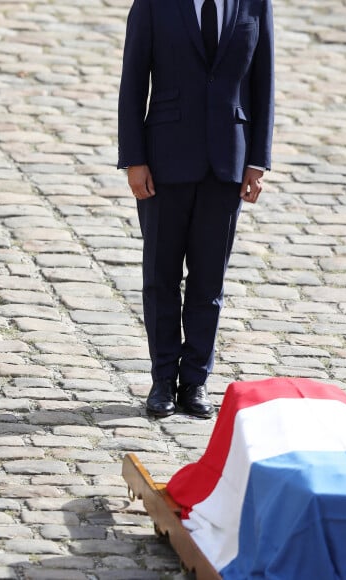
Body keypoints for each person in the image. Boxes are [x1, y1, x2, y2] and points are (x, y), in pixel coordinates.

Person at [117, 0, 274, 418]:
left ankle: (195, 382)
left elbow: (263, 82)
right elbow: (133, 80)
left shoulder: (255, 4)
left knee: (209, 282)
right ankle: (163, 380)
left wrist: (257, 161)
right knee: (160, 277)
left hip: (227, 165)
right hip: (164, 162)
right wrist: (134, 158)